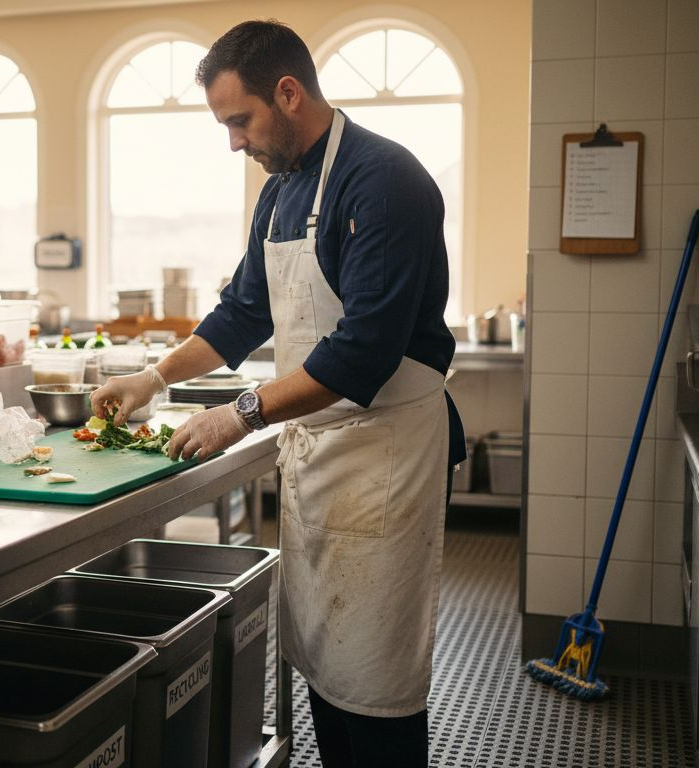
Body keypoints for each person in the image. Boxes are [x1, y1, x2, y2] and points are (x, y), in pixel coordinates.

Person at [89, 19, 465, 768]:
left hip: (385, 455)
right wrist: (154, 377)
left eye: (240, 120)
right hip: (321, 453)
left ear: (289, 93)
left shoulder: (384, 180)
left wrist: (242, 413)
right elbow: (241, 313)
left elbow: (363, 352)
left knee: (376, 677)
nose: (234, 142)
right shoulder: (282, 191)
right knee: (326, 661)